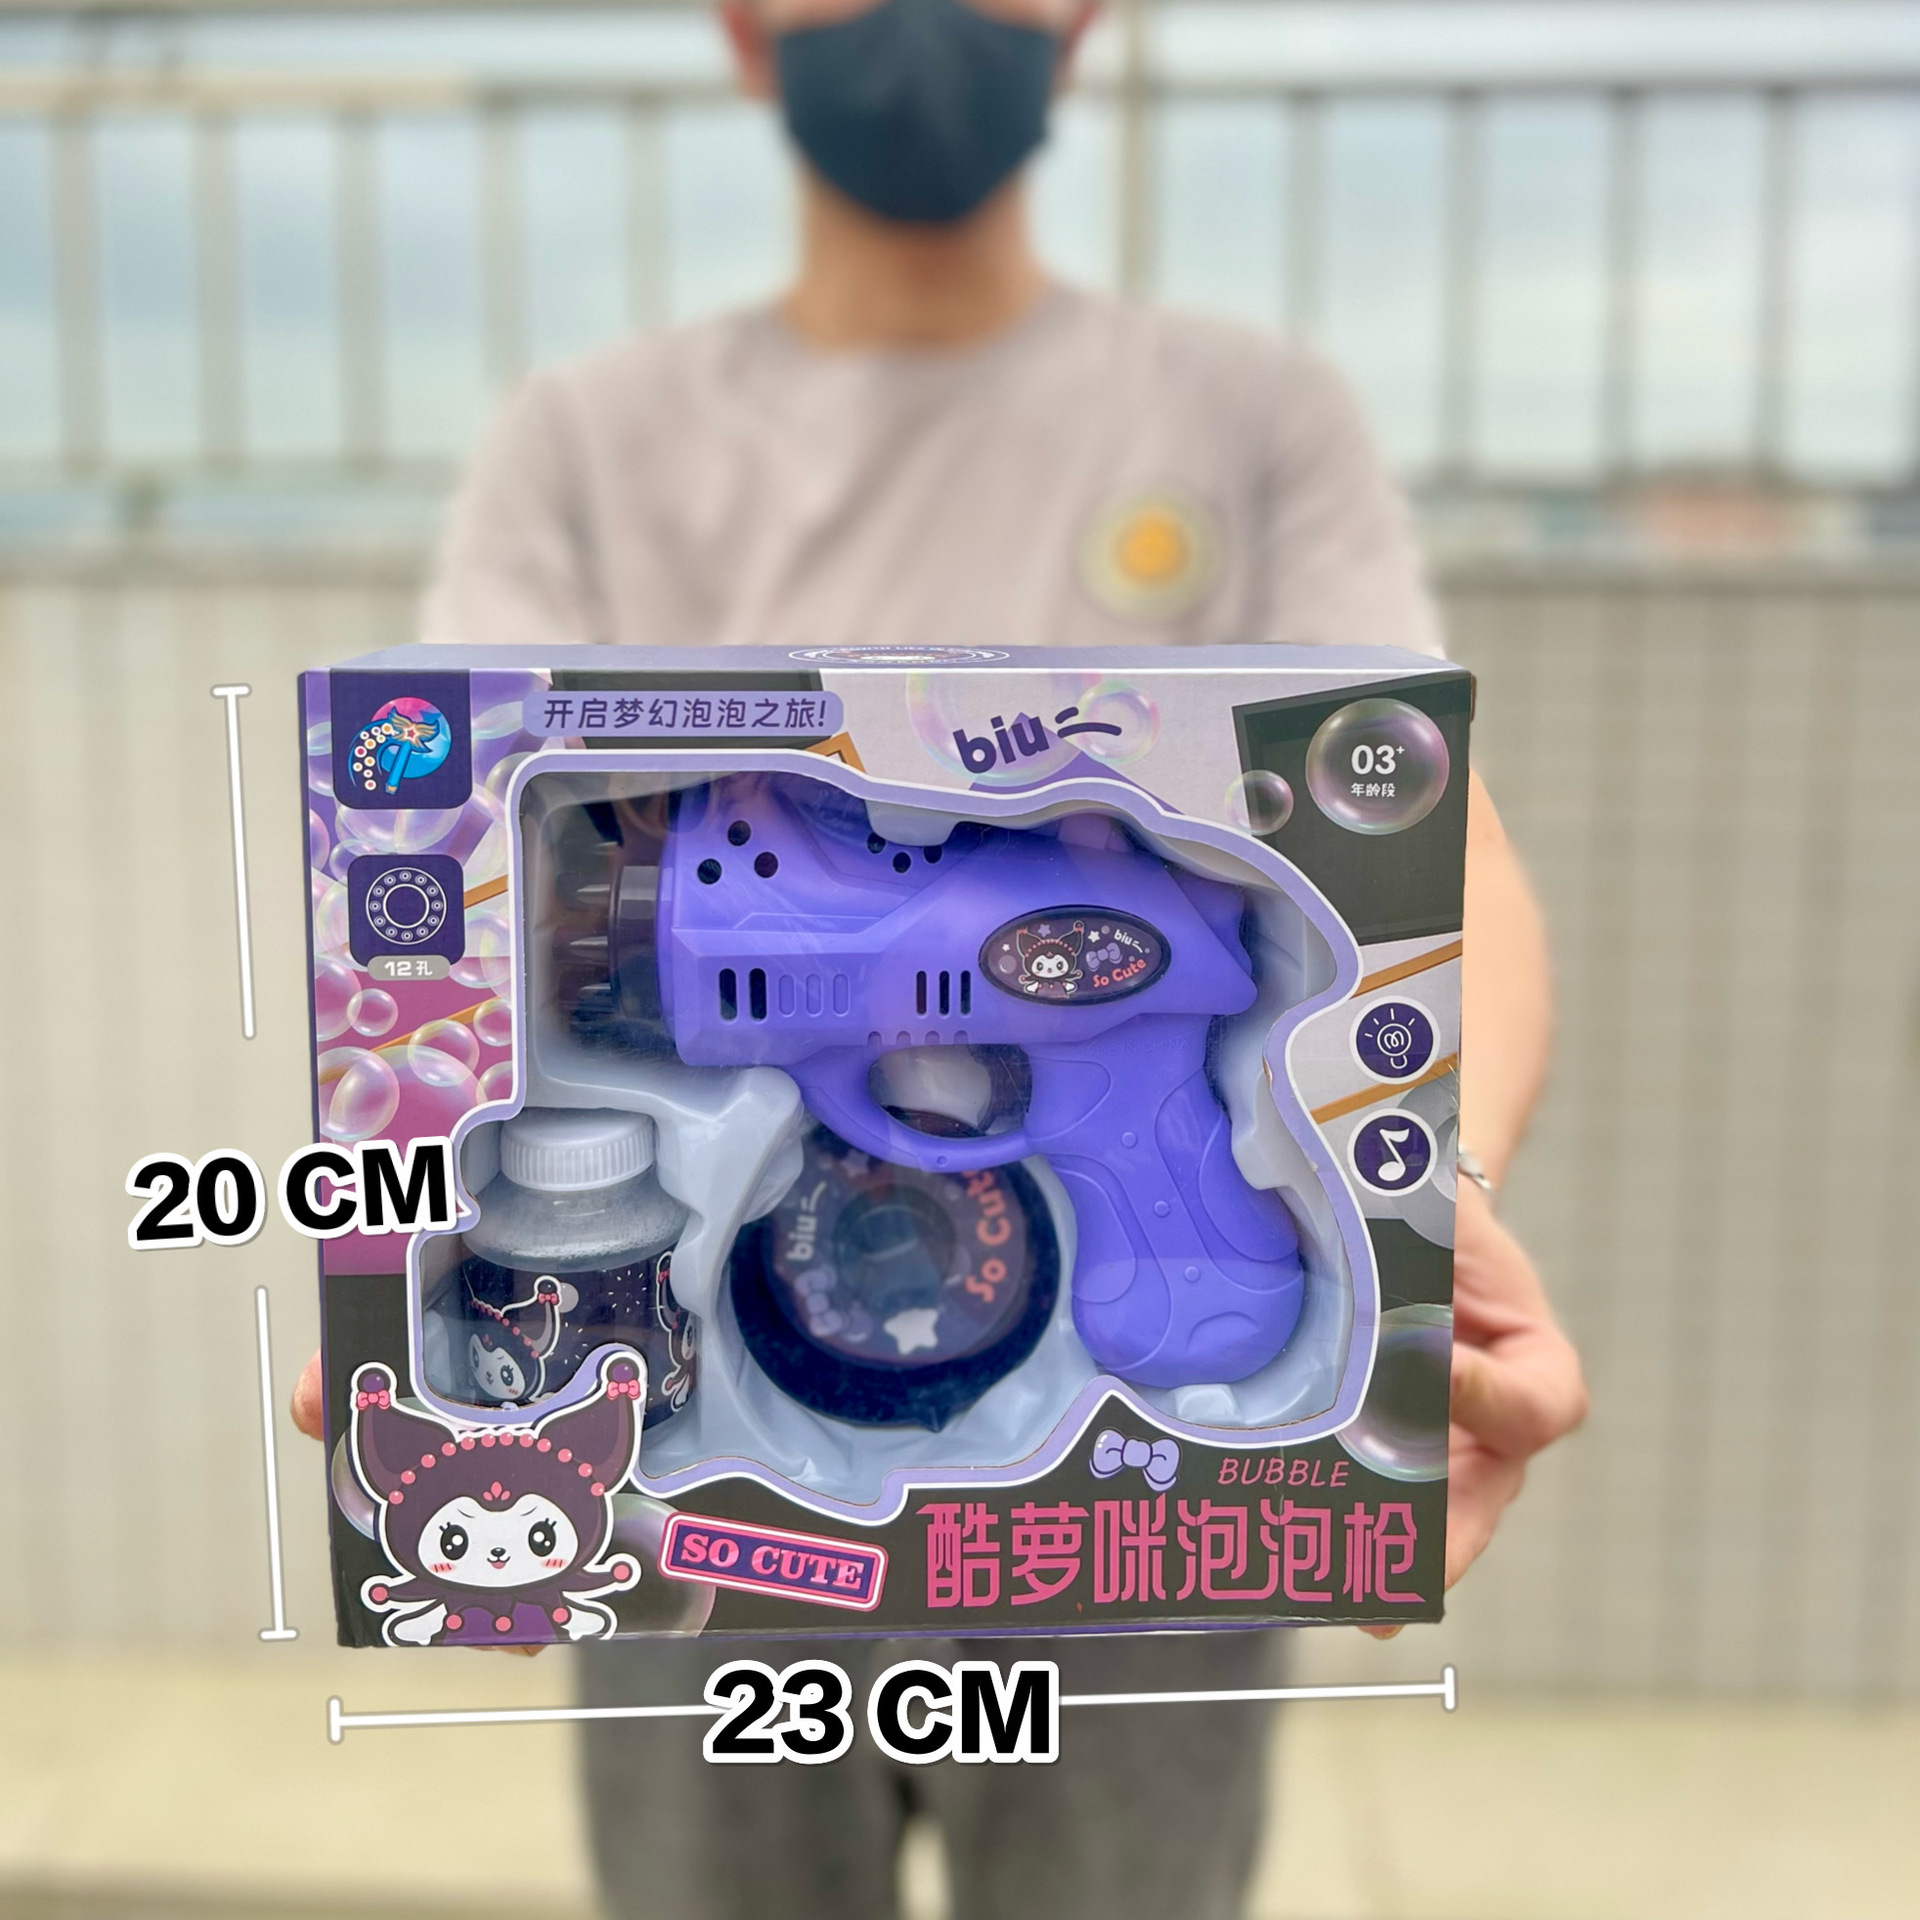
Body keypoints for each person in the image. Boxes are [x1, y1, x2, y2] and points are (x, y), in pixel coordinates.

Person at [294, 0, 1587, 1913]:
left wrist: (1432, 1214)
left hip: (1138, 1529)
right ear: (743, 29)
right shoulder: (582, 437)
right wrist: (409, 1242)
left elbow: (1421, 820)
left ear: (1086, 21)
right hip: (706, 1515)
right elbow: (453, 826)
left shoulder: (1252, 414)